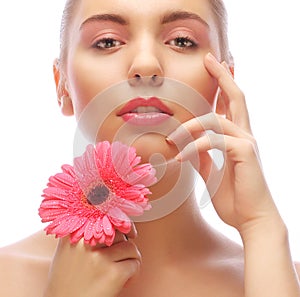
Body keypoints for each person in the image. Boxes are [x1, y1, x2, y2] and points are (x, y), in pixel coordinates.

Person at [0, 0, 299, 296]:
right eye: (107, 42)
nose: (145, 65)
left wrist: (261, 228)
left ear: (225, 83)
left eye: (182, 41)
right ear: (62, 85)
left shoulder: (279, 274)